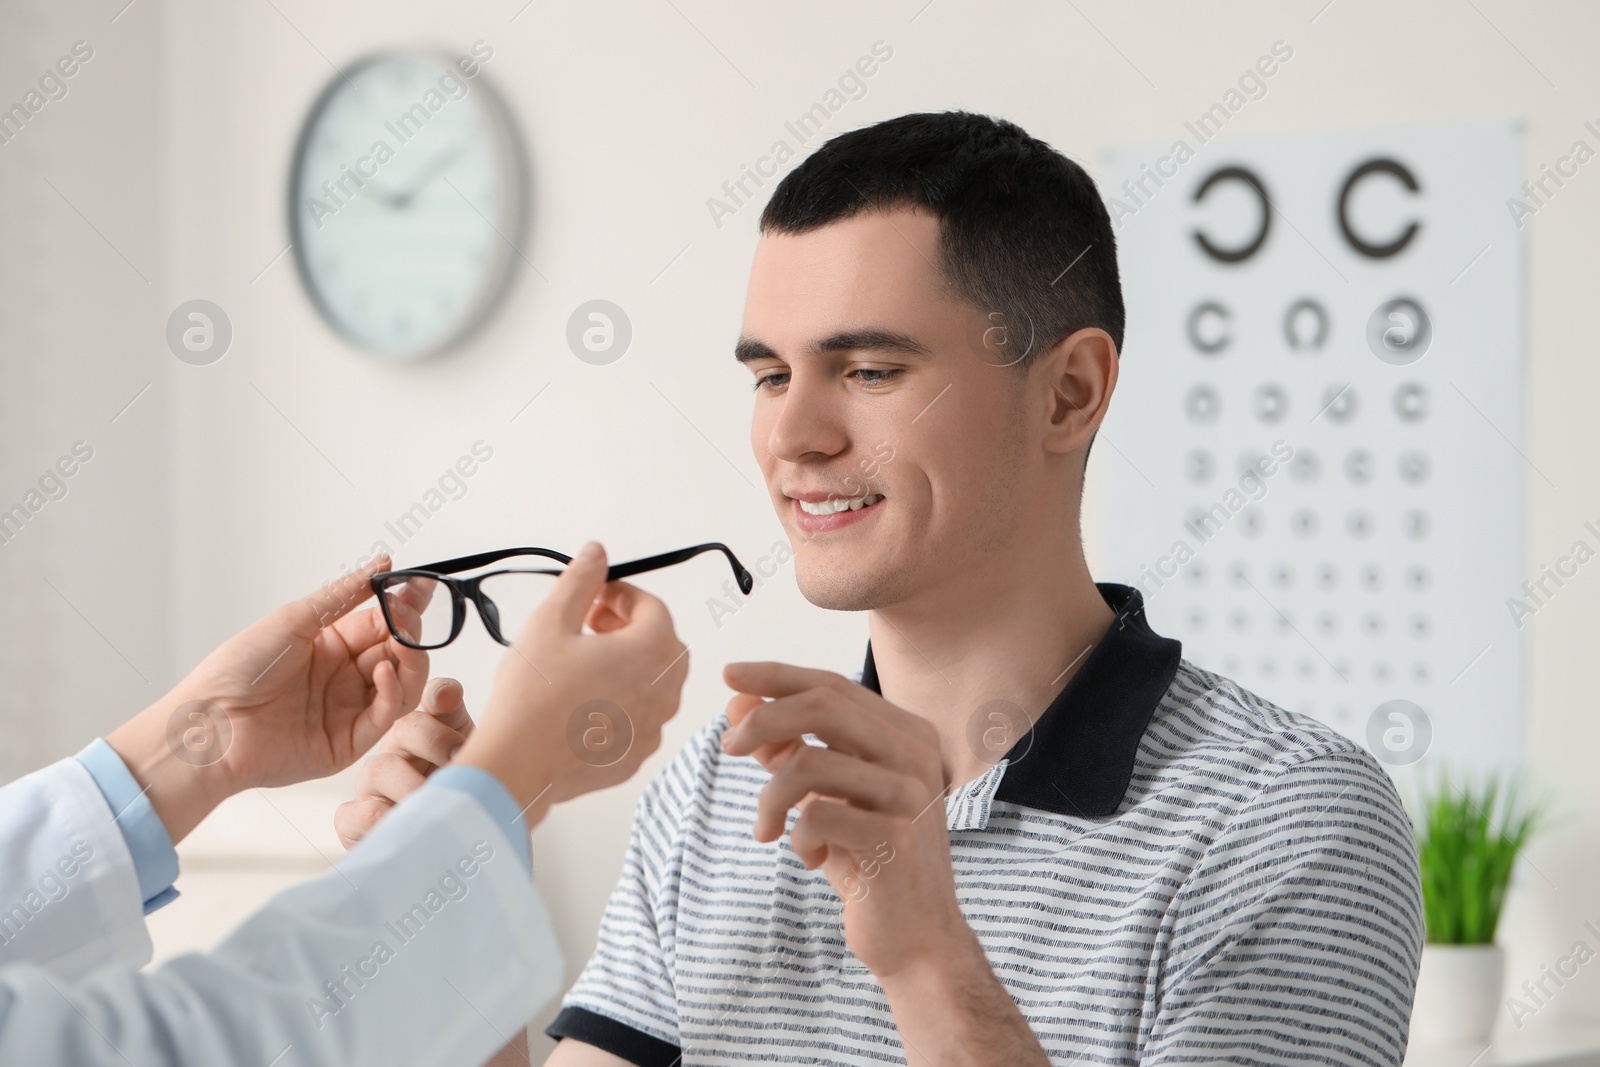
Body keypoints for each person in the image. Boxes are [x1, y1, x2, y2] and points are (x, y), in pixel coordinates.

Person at [352, 112, 1424, 1066]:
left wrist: (926, 958)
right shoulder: (720, 796)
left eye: (868, 371)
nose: (793, 435)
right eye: (770, 374)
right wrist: (453, 913)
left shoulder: (1289, 821)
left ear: (1069, 392)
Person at [0, 541, 689, 1067]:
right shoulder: (692, 818)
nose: (786, 434)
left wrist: (206, 736)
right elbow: (204, 1042)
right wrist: (495, 792)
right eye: (771, 377)